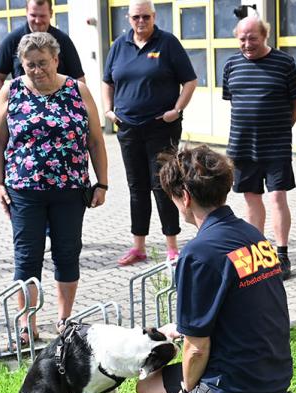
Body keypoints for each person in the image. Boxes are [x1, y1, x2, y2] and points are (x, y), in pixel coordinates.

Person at [113, 145, 292, 393]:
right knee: (148, 389)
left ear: (183, 196)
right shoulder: (253, 235)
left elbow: (198, 348)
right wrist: (181, 327)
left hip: (235, 386)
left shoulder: (198, 253)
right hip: (273, 376)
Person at [0, 32, 109, 346]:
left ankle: (64, 320)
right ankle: (28, 325)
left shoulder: (77, 90)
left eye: (43, 63)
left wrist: (102, 182)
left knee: (67, 254)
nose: (37, 70)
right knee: (26, 257)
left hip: (70, 189)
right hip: (24, 189)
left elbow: (96, 140)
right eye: (30, 65)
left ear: (56, 60)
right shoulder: (10, 90)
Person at [102, 0, 197, 266]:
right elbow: (107, 80)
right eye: (136, 17)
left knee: (163, 185)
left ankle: (172, 246)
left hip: (161, 127)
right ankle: (139, 246)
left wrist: (176, 110)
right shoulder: (119, 46)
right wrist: (108, 110)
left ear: (154, 17)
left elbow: (190, 80)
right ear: (128, 18)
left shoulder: (168, 44)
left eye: (146, 16)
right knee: (137, 187)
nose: (140, 21)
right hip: (129, 128)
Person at [222, 14, 296, 279]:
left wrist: (281, 128)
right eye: (242, 39)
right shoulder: (231, 64)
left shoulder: (284, 63)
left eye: (252, 38)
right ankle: (258, 252)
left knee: (278, 197)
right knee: (250, 199)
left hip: (276, 146)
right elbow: (233, 101)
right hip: (242, 146)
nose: (247, 43)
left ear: (264, 35)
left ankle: (281, 254)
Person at [0, 0, 84, 97]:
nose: (37, 21)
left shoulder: (63, 40)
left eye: (42, 16)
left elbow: (79, 80)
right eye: (33, 15)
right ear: (26, 12)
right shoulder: (12, 40)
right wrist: (5, 105)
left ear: (51, 14)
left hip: (59, 107)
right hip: (24, 108)